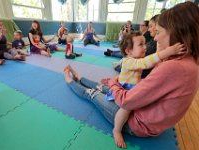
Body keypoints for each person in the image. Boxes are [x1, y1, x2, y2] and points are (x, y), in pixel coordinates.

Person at [63, 1, 199, 149]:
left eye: (158, 32)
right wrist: (163, 52)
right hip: (131, 96)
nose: (154, 38)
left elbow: (127, 101)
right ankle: (79, 78)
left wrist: (114, 82)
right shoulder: (190, 63)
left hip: (135, 118)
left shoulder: (174, 67)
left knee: (94, 92)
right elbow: (151, 79)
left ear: (177, 32)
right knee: (102, 86)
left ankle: (71, 81)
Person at [105, 32, 185, 148]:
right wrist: (167, 52)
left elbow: (152, 64)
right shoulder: (129, 61)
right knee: (126, 109)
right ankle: (117, 130)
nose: (145, 47)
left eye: (145, 43)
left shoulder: (137, 58)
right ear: (128, 51)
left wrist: (161, 52)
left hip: (133, 87)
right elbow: (145, 63)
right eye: (141, 44)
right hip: (125, 90)